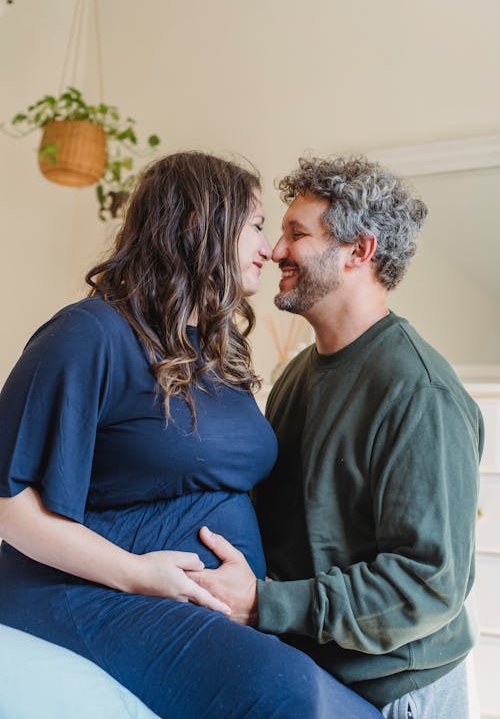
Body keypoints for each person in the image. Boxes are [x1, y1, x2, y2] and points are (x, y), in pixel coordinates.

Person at [0, 152, 383, 719]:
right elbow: (8, 504)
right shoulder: (90, 333)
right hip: (83, 590)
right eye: (256, 226)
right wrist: (136, 575)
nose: (270, 248)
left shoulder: (212, 350)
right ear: (199, 226)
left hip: (201, 598)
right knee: (285, 692)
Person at [189, 155, 484, 718]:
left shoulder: (420, 394)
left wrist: (265, 603)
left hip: (400, 694)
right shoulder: (296, 377)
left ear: (360, 251)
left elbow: (427, 584)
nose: (276, 251)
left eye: (297, 233)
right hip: (313, 679)